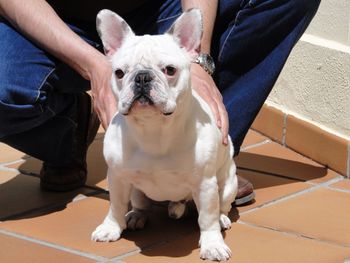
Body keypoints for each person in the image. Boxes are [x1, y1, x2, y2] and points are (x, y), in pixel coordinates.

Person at [0, 0, 320, 205]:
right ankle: (67, 132)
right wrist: (95, 67)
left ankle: (205, 161)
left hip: (159, 8)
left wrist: (197, 58)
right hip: (48, 19)